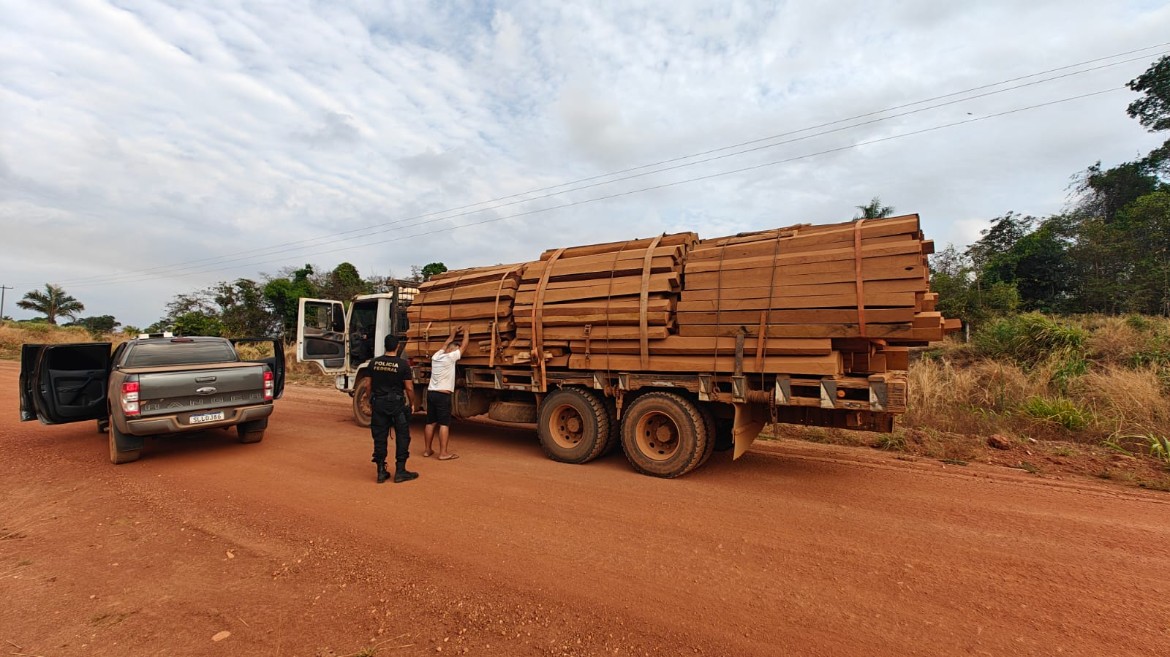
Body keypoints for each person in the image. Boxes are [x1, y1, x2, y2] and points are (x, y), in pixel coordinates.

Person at [367, 334, 418, 483]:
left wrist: (371, 400)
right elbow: (409, 387)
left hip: (379, 404)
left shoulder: (374, 363)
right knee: (402, 436)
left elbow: (367, 385)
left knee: (379, 437)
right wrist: (412, 403)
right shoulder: (403, 365)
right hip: (397, 405)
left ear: (385, 345)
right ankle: (400, 471)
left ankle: (381, 471)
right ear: (397, 346)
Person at [423, 326, 469, 460]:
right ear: (451, 350)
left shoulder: (436, 356)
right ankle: (443, 453)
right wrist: (466, 332)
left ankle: (427, 450)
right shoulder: (450, 358)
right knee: (444, 423)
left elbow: (445, 343)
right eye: (455, 349)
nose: (456, 351)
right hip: (443, 395)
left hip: (431, 393)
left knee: (430, 422)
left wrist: (453, 334)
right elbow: (464, 346)